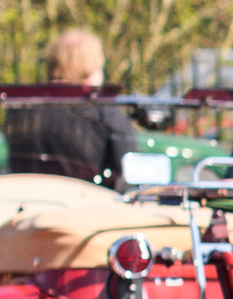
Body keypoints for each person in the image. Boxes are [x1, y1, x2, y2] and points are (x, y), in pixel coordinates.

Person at [4, 29, 136, 189]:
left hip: (27, 202)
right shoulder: (103, 110)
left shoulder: (20, 108)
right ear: (90, 67)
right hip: (86, 205)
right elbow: (130, 169)